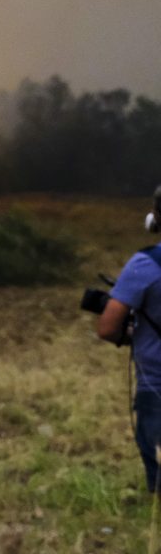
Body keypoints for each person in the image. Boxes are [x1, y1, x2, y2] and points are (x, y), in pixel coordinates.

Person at [97, 187, 161, 492]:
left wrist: (133, 335)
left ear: (155, 219)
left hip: (156, 384)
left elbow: (108, 328)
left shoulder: (146, 265)